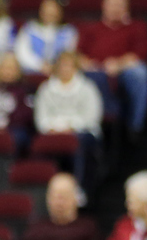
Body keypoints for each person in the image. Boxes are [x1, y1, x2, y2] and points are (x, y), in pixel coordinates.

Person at [76, 0, 147, 140]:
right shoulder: (91, 28)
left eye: (119, 4)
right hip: (95, 71)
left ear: (126, 7)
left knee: (140, 73)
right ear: (104, 5)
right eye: (112, 4)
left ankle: (134, 127)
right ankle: (93, 126)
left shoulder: (137, 27)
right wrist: (89, 64)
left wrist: (119, 64)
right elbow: (77, 55)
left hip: (123, 72)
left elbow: (141, 54)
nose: (116, 8)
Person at [32, 52, 103, 196]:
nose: (65, 69)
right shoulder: (46, 88)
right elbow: (41, 118)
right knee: (39, 144)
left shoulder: (87, 88)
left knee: (77, 143)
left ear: (76, 67)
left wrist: (70, 126)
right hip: (52, 131)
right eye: (62, 65)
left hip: (82, 131)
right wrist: (53, 127)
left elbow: (92, 117)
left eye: (69, 65)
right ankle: (44, 193)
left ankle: (79, 190)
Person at [15, 0, 78, 76]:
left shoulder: (68, 32)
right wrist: (40, 65)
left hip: (58, 74)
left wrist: (55, 67)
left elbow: (69, 53)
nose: (50, 13)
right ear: (41, 11)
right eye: (47, 9)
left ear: (60, 11)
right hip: (30, 73)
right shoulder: (30, 28)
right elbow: (22, 53)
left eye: (53, 10)